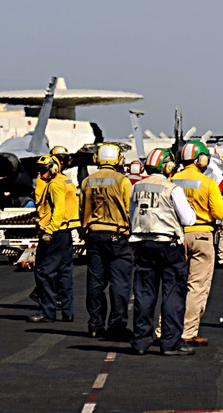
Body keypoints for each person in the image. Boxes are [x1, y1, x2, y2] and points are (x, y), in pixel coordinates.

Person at [128, 149, 197, 356]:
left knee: (143, 294)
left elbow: (131, 214)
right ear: (167, 167)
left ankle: (141, 340)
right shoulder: (172, 189)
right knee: (173, 294)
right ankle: (171, 342)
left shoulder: (135, 188)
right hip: (168, 245)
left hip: (142, 244)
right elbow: (188, 220)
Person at [172, 140, 223, 346]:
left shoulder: (173, 180)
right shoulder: (207, 183)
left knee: (174, 285)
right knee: (196, 287)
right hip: (202, 234)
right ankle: (188, 330)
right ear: (200, 159)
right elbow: (220, 212)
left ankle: (164, 328)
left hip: (177, 235)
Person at [81, 142, 134, 340]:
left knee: (95, 282)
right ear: (118, 159)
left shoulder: (87, 181)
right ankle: (117, 325)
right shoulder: (122, 181)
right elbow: (130, 209)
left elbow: (82, 209)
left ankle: (95, 325)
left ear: (97, 159)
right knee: (119, 283)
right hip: (117, 235)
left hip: (93, 234)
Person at [28, 154, 76, 323]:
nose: (41, 175)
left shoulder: (55, 185)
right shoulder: (66, 181)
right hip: (66, 232)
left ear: (53, 169)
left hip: (55, 233)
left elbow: (59, 211)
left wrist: (49, 231)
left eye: (43, 171)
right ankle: (68, 311)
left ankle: (47, 312)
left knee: (43, 271)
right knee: (64, 272)